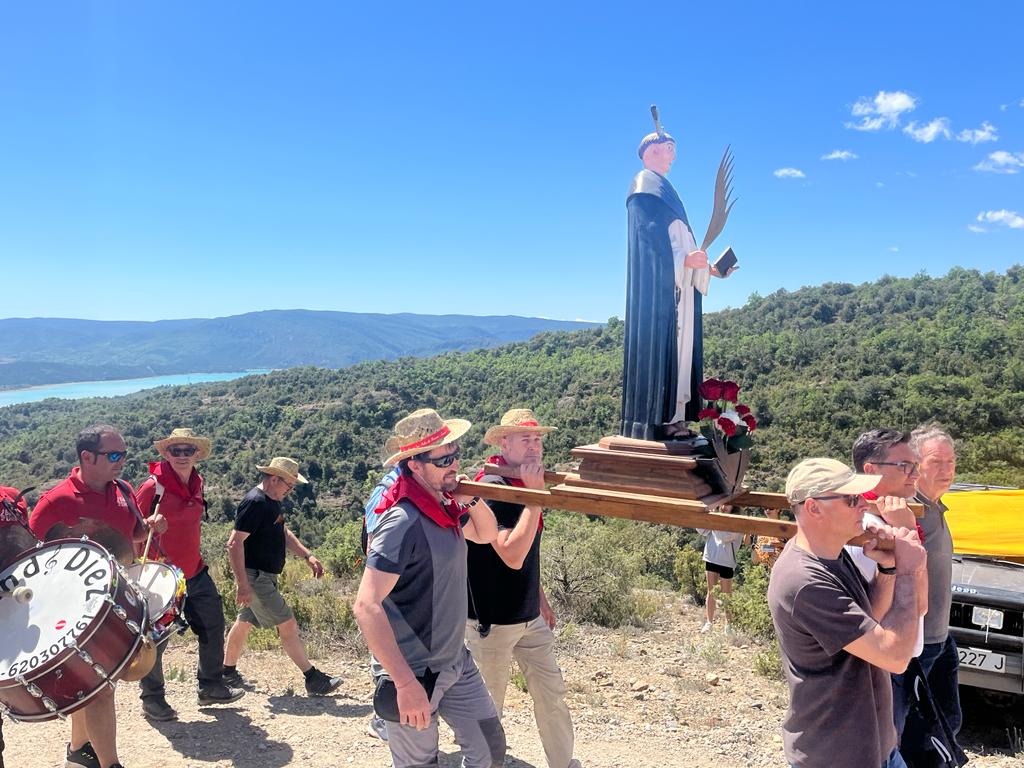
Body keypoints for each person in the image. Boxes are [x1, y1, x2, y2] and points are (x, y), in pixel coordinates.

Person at [353, 408, 506, 768]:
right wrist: (404, 685)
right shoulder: (402, 521)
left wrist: (468, 495)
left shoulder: (443, 506)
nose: (454, 464)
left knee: (490, 747)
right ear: (415, 465)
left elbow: (486, 534)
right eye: (444, 460)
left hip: (455, 660)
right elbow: (365, 605)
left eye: (456, 454)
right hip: (414, 671)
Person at [769, 458, 926, 768]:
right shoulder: (803, 581)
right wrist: (909, 570)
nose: (862, 506)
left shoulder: (831, 555)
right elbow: (894, 656)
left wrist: (889, 568)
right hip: (838, 757)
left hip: (875, 750)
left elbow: (871, 616)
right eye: (852, 499)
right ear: (814, 508)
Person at [28, 424, 149, 768]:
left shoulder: (123, 489)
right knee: (100, 686)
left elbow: (134, 532)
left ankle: (79, 750)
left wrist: (149, 526)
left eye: (123, 454)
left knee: (92, 684)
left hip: (114, 604)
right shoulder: (56, 502)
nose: (121, 461)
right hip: (70, 613)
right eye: (113, 455)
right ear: (86, 457)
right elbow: (28, 560)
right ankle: (111, 764)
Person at [468, 409, 581, 768]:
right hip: (493, 621)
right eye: (525, 439)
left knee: (552, 696)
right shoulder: (495, 487)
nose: (535, 447)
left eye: (538, 439)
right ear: (505, 443)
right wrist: (536, 497)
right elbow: (512, 555)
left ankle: (563, 764)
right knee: (488, 710)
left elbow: (530, 551)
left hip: (528, 615)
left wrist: (540, 597)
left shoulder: (520, 483)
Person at [621, 110, 733, 440]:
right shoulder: (644, 189)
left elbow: (681, 243)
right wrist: (686, 260)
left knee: (682, 356)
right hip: (662, 296)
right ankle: (661, 418)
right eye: (668, 151)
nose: (672, 158)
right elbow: (651, 244)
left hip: (681, 292)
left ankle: (676, 416)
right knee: (668, 354)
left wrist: (708, 268)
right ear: (652, 152)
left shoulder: (664, 191)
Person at [134, 428, 244, 721]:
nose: (181, 456)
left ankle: (210, 685)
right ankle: (152, 699)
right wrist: (147, 524)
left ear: (197, 454)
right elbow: (129, 532)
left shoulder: (198, 482)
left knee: (212, 623)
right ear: (166, 454)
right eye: (175, 451)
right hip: (161, 577)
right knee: (156, 640)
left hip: (194, 571)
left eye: (187, 451)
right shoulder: (152, 487)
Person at [222, 457, 341, 696]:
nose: (291, 489)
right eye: (289, 484)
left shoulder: (271, 501)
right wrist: (243, 584)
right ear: (274, 478)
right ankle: (312, 678)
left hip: (261, 576)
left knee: (244, 622)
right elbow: (234, 544)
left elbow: (282, 532)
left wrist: (307, 555)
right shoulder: (255, 502)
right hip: (256, 578)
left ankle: (227, 673)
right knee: (287, 623)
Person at [903, 424, 963, 758]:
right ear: (915, 464)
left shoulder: (937, 507)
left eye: (951, 462)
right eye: (937, 462)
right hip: (917, 643)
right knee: (913, 728)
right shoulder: (908, 511)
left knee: (948, 721)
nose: (947, 470)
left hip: (941, 636)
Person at [697, 513, 745, 633]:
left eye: (727, 505)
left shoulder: (737, 521)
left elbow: (726, 537)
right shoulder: (715, 516)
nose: (724, 508)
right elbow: (702, 530)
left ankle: (728, 625)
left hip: (727, 560)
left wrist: (714, 523)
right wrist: (703, 518)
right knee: (711, 591)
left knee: (727, 594)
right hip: (711, 556)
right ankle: (709, 623)